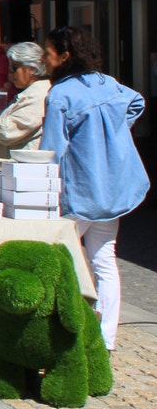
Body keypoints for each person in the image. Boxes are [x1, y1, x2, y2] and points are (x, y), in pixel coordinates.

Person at [39, 26, 149, 351]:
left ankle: (69, 332)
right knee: (104, 260)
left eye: (48, 51)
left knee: (63, 259)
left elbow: (51, 151)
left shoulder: (60, 94)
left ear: (65, 55)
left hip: (81, 190)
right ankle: (106, 338)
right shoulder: (107, 83)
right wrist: (114, 133)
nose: (44, 58)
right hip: (112, 191)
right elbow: (136, 102)